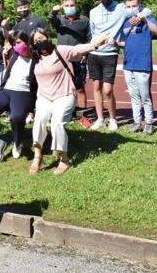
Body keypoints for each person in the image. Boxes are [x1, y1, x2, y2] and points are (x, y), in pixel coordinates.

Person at [29, 27, 108, 175]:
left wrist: (96, 44)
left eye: (42, 38)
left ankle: (63, 159)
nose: (40, 42)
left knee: (57, 123)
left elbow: (78, 49)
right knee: (39, 121)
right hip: (44, 97)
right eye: (36, 41)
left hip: (64, 95)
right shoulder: (34, 56)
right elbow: (15, 46)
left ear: (48, 37)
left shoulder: (60, 50)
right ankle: (37, 157)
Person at [0, 30, 36, 162]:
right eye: (13, 44)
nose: (16, 46)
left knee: (17, 117)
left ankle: (17, 143)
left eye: (18, 42)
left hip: (24, 92)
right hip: (6, 90)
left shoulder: (37, 58)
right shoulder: (14, 53)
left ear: (27, 41)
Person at [115, 0, 157, 135]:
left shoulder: (147, 18)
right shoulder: (126, 21)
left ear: (139, 6)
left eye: (134, 6)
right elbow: (125, 43)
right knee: (133, 95)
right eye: (128, 6)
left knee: (145, 95)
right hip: (128, 64)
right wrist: (115, 43)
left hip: (142, 63)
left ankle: (149, 122)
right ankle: (137, 122)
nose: (131, 9)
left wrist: (143, 18)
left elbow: (156, 31)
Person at [88, 0, 126, 131]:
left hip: (110, 54)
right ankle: (100, 119)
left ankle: (113, 119)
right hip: (95, 53)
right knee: (96, 86)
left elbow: (139, 8)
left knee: (108, 90)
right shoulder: (93, 12)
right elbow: (93, 32)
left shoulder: (121, 8)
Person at [48, 0, 91, 114]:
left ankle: (83, 114)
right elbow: (51, 18)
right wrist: (54, 11)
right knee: (60, 88)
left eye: (72, 5)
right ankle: (63, 113)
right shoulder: (60, 20)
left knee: (80, 88)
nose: (70, 7)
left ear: (76, 6)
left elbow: (89, 39)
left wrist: (85, 54)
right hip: (61, 60)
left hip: (78, 59)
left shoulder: (84, 20)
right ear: (63, 7)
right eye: (67, 6)